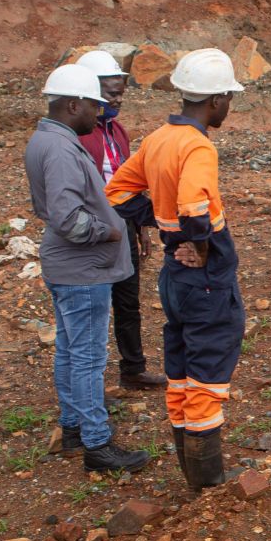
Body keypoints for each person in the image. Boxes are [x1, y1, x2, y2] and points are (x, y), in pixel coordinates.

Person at [106, 48, 246, 489]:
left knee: (182, 368)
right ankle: (207, 480)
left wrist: (164, 226)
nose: (229, 106)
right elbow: (194, 205)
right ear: (217, 99)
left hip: (174, 276)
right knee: (207, 370)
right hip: (203, 279)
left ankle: (192, 470)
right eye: (229, 98)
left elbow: (118, 193)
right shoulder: (198, 146)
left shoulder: (157, 138)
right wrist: (198, 244)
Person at [22, 64, 152, 473]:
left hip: (69, 266)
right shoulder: (61, 148)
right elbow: (67, 217)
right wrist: (109, 232)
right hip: (83, 268)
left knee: (70, 351)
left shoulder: (46, 140)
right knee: (88, 358)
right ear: (72, 104)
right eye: (92, 107)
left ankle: (74, 429)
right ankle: (97, 444)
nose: (98, 116)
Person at [73, 49, 165, 391]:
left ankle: (133, 369)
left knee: (128, 300)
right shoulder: (79, 135)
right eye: (112, 93)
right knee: (93, 305)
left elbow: (130, 183)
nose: (118, 99)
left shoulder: (118, 131)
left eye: (121, 92)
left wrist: (141, 229)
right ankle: (89, 383)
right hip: (93, 229)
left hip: (123, 223)